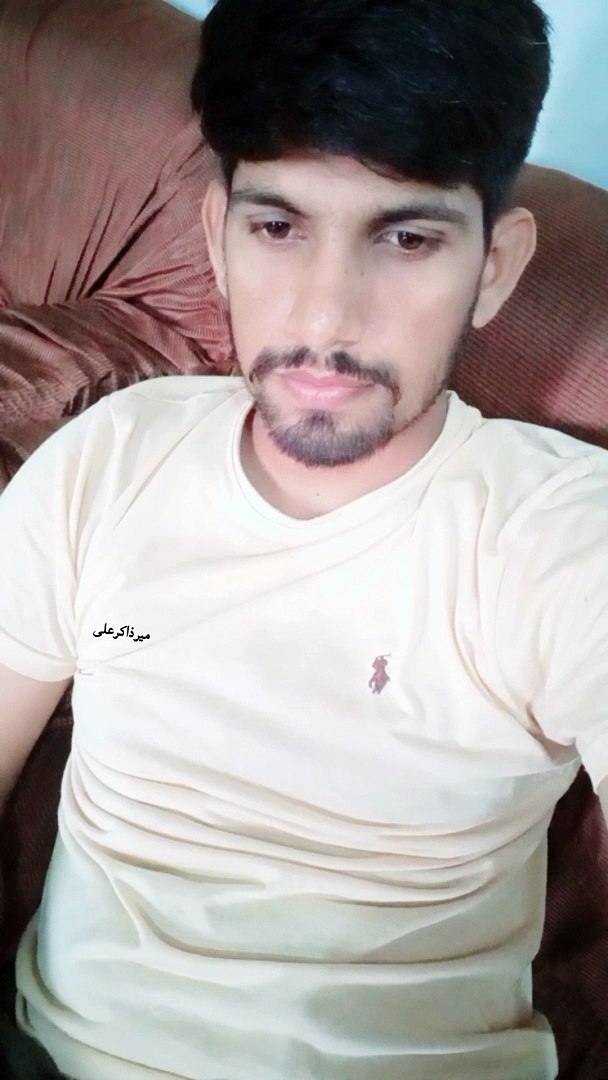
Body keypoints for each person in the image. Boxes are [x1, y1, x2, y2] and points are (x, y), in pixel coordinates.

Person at [0, 0, 606, 1077]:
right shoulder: (108, 459)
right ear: (215, 237)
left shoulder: (558, 535)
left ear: (495, 268)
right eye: (277, 228)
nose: (325, 317)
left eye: (406, 238)